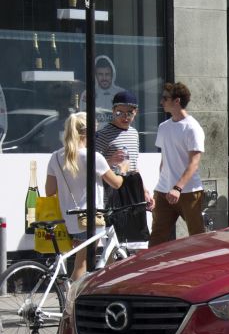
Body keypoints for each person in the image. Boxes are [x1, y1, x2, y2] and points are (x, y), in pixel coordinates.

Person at [45, 112, 124, 280]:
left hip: (70, 220)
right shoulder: (94, 156)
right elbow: (116, 183)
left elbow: (49, 190)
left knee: (99, 258)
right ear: (88, 132)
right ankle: (70, 303)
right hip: (90, 218)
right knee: (81, 264)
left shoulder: (56, 157)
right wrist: (122, 170)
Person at [150, 82, 206, 246]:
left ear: (177, 101)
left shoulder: (192, 128)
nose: (161, 102)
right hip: (163, 190)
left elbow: (194, 162)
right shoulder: (163, 127)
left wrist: (177, 187)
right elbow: (164, 159)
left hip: (188, 191)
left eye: (165, 98)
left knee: (197, 238)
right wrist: (161, 184)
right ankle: (153, 270)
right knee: (157, 238)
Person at [94, 90, 154, 211]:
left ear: (135, 113)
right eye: (119, 112)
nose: (125, 117)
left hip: (131, 193)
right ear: (113, 111)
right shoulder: (103, 134)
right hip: (110, 195)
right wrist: (109, 161)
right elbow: (91, 166)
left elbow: (133, 167)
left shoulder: (134, 133)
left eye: (129, 113)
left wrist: (144, 191)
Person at [90, 55, 127, 122]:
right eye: (100, 74)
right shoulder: (88, 94)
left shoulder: (122, 94)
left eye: (107, 74)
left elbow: (129, 120)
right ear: (95, 75)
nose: (104, 78)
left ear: (112, 75)